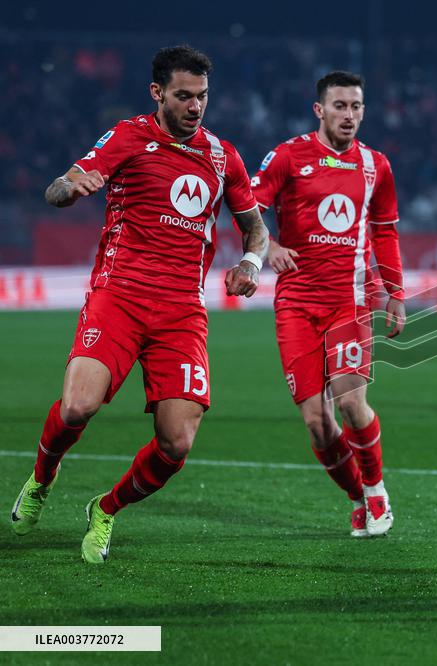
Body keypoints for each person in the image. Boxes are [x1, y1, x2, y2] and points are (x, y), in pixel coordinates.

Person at [10, 45, 268, 564]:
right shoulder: (129, 137)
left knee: (176, 444)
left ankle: (105, 509)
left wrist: (251, 265)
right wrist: (71, 187)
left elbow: (256, 229)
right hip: (119, 297)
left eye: (203, 97)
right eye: (183, 96)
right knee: (78, 406)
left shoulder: (225, 157)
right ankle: (42, 476)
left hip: (181, 312)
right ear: (158, 94)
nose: (195, 107)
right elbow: (56, 189)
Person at [251, 71, 404, 537]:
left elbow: (386, 232)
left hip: (349, 301)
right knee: (319, 423)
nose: (349, 115)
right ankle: (357, 495)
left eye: (356, 106)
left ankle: (377, 493)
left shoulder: (376, 165)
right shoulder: (287, 155)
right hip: (296, 302)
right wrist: (267, 246)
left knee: (352, 402)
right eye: (340, 106)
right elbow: (248, 204)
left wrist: (395, 293)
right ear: (319, 110)